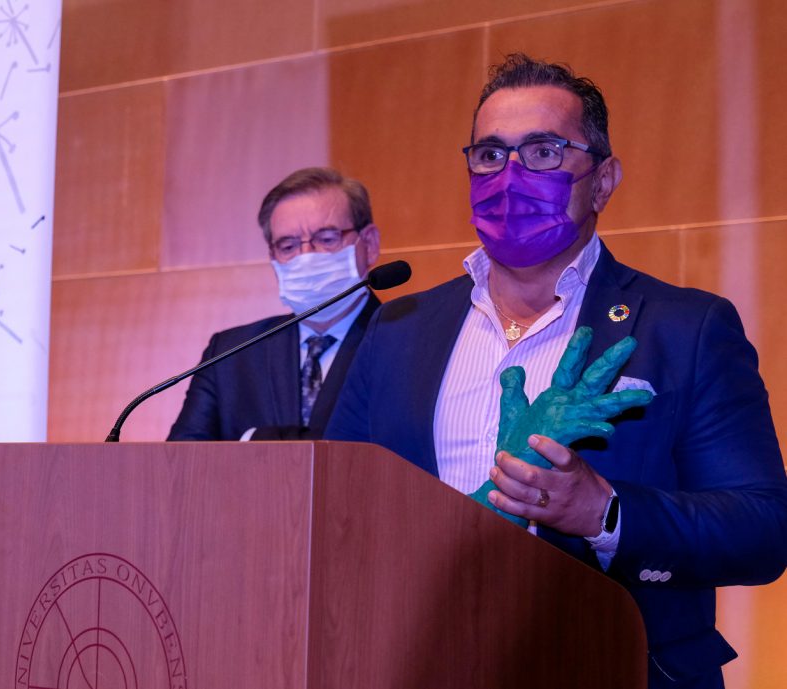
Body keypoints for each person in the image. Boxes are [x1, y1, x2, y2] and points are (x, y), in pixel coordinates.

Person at [325, 54, 787, 688]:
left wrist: (604, 512)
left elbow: (761, 531)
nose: (510, 175)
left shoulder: (687, 329)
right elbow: (337, 512)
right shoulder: (400, 327)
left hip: (617, 667)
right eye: (490, 155)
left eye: (543, 152)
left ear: (602, 180)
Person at [168, 167, 381, 441]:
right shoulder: (231, 353)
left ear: (370, 244)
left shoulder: (406, 343)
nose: (306, 257)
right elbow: (183, 458)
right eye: (288, 246)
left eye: (327, 239)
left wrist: (254, 440)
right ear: (273, 257)